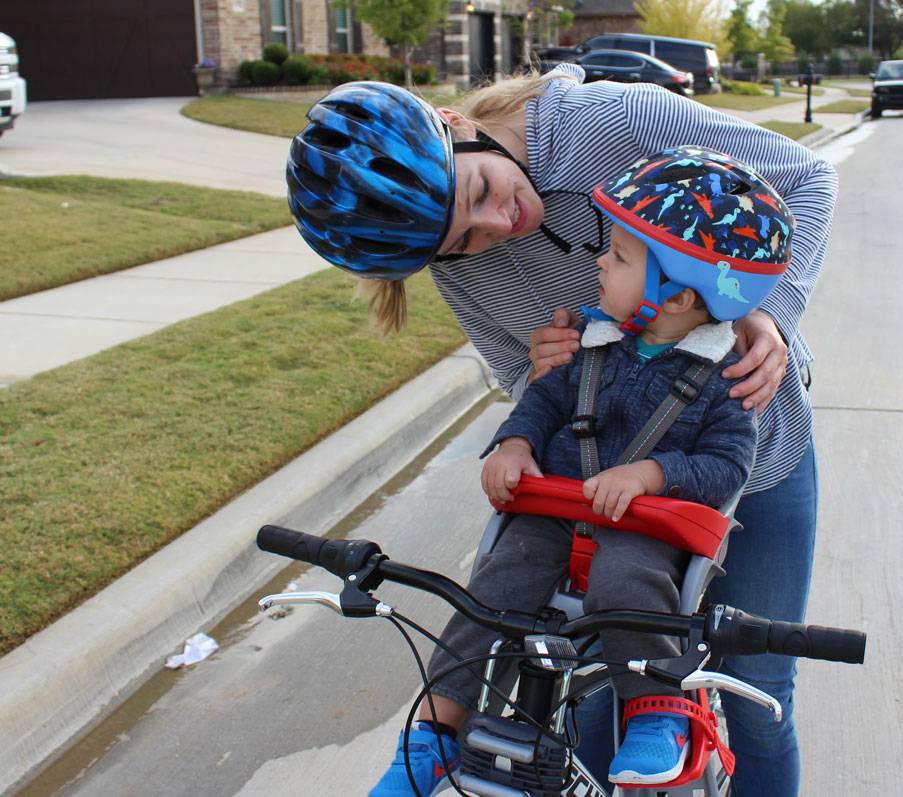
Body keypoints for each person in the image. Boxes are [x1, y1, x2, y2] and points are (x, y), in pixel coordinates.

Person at [287, 65, 837, 796]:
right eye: (462, 241)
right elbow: (519, 375)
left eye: (478, 191)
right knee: (599, 683)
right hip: (599, 500)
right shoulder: (457, 267)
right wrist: (539, 374)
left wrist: (769, 310)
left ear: (454, 124)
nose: (496, 226)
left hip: (746, 456)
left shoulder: (610, 122)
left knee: (758, 686)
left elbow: (807, 180)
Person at [365, 146, 793, 795]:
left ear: (674, 295)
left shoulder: (718, 378)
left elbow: (728, 466)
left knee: (626, 578)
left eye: (618, 257)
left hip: (643, 531)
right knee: (498, 581)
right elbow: (542, 403)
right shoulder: (590, 342)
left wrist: (652, 473)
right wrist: (513, 446)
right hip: (556, 511)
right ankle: (435, 732)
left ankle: (659, 711)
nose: (598, 261)